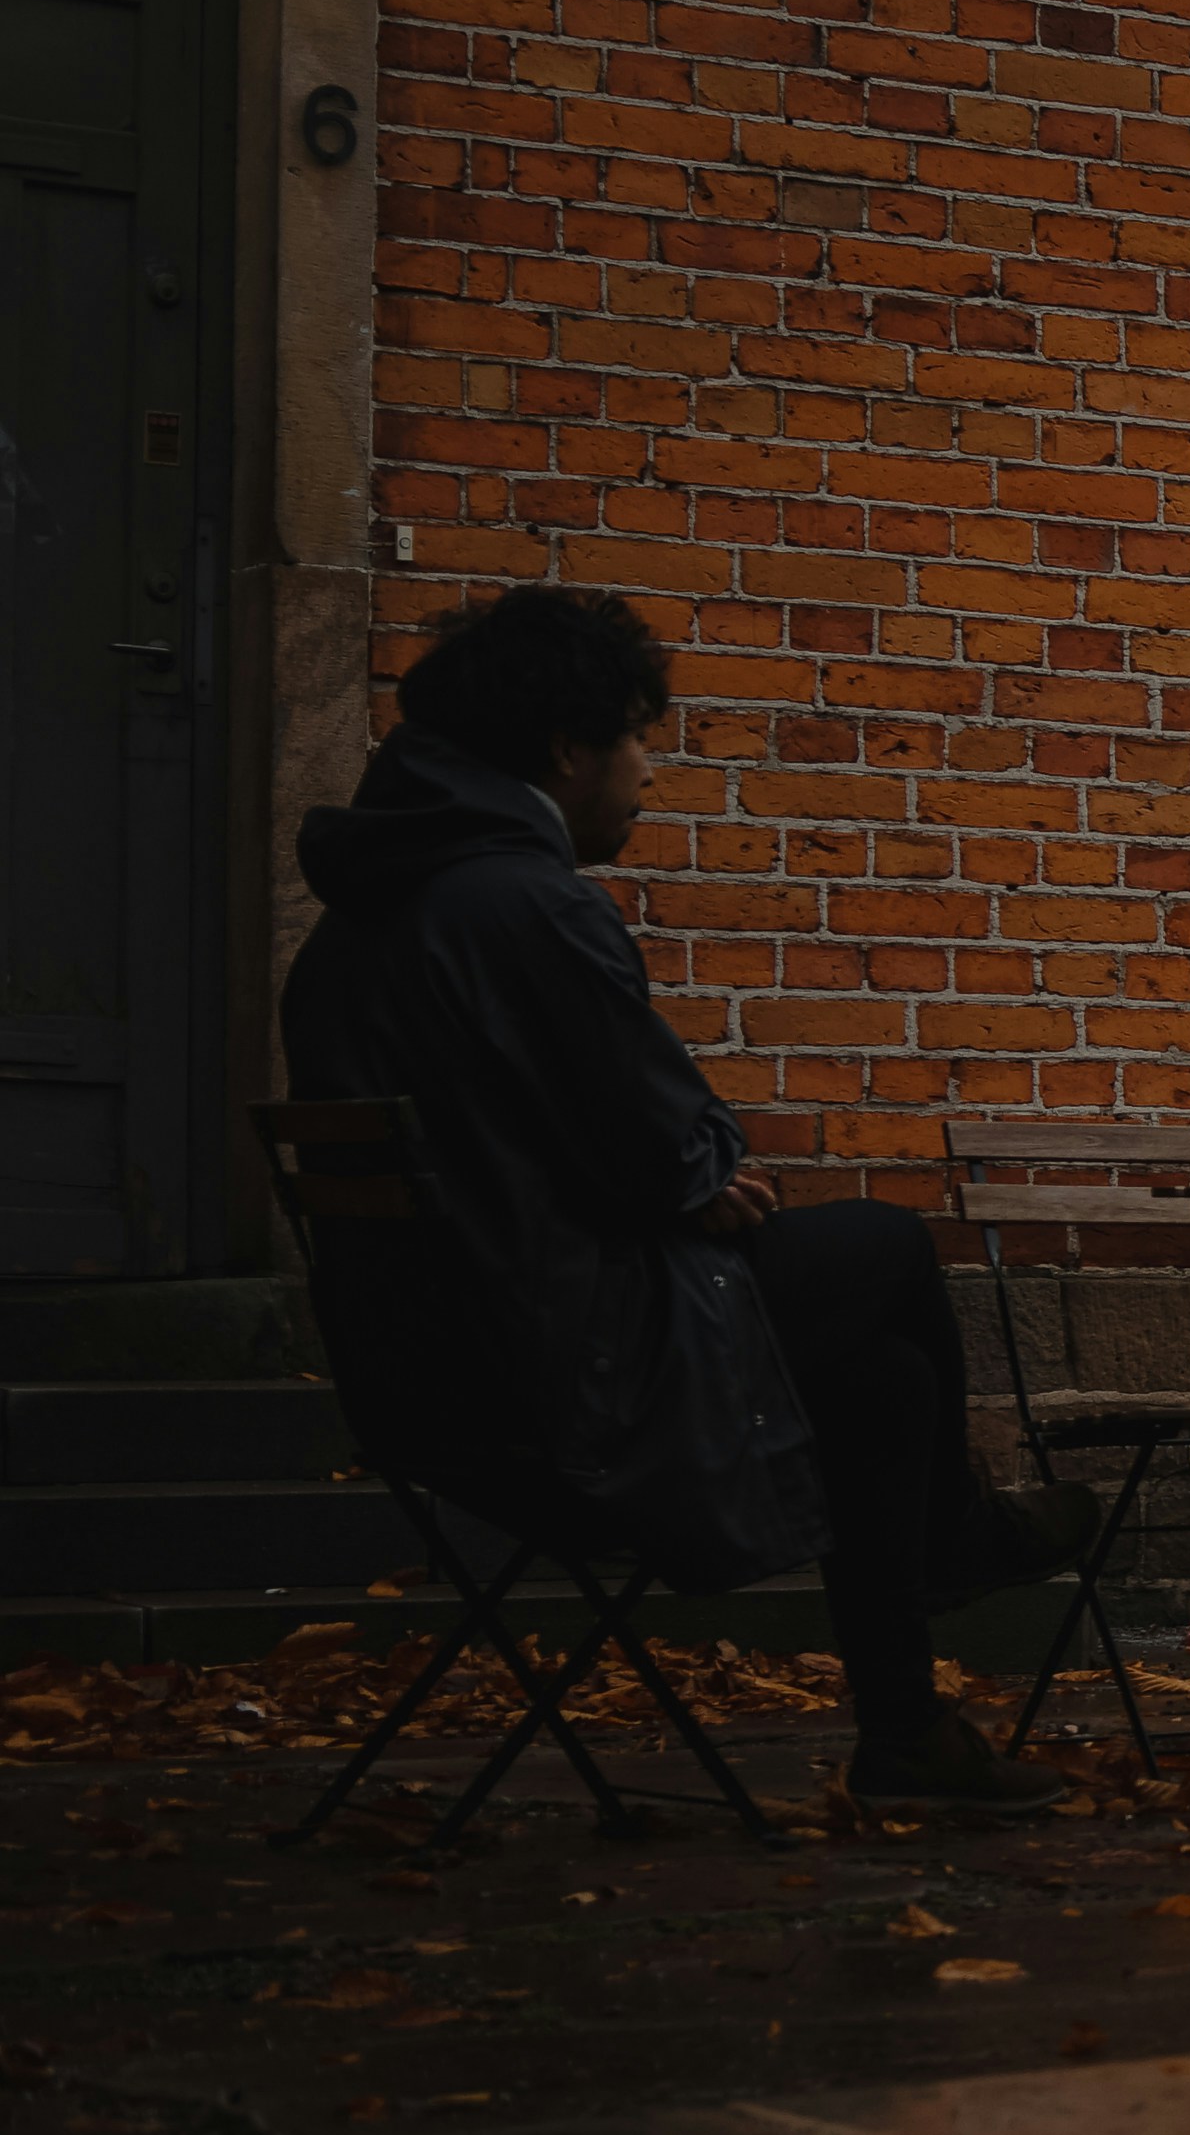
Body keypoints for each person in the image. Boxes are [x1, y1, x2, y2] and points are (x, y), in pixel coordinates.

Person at [281, 588, 1065, 1812]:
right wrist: (689, 1176)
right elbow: (681, 1154)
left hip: (425, 1385)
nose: (649, 768)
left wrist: (673, 1179)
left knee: (882, 1385)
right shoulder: (531, 908)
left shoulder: (350, 933)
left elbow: (587, 1155)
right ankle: (953, 1541)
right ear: (567, 749)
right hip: (572, 1376)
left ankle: (908, 1736)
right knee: (887, 1243)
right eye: (641, 737)